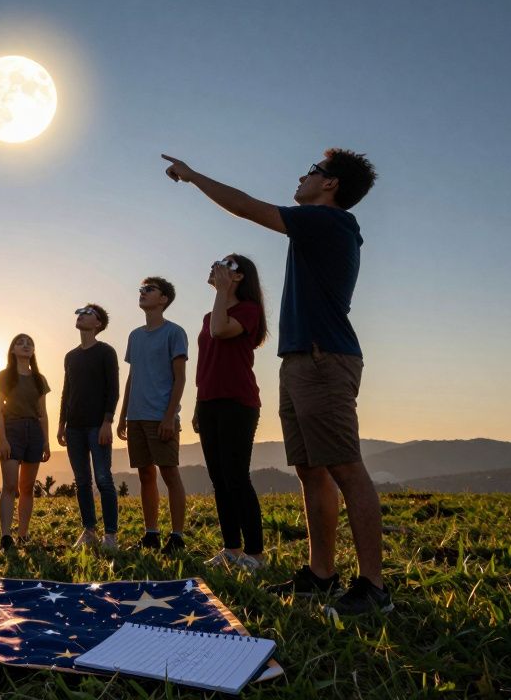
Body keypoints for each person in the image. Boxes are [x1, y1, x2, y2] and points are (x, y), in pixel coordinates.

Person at [162, 148, 389, 616]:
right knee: (310, 470)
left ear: (330, 184)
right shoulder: (317, 228)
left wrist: (192, 175)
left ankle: (373, 588)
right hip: (301, 360)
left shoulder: (327, 220)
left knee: (345, 467)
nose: (303, 175)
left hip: (323, 359)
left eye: (313, 170)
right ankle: (321, 574)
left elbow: (246, 207)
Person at [194, 255, 268, 573]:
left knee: (236, 476)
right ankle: (232, 549)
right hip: (209, 402)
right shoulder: (211, 315)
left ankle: (256, 554)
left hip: (238, 402)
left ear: (239, 277)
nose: (216, 266)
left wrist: (221, 292)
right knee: (219, 479)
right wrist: (198, 403)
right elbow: (206, 363)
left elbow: (220, 331)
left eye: (226, 265)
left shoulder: (248, 310)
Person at [117, 277, 189, 555]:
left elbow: (180, 378)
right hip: (135, 417)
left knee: (169, 473)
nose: (143, 292)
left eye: (149, 289)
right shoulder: (134, 336)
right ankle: (151, 534)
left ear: (163, 299)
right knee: (145, 475)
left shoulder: (175, 332)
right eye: (141, 289)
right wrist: (123, 415)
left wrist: (169, 417)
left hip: (160, 416)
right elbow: (132, 377)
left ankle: (177, 537)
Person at [57, 304, 120, 550]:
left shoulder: (106, 352)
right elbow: (66, 392)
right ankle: (89, 530)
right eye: (80, 312)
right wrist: (61, 424)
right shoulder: (70, 356)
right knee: (82, 480)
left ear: (98, 324)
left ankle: (110, 536)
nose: (81, 315)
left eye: (88, 312)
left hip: (97, 426)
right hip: (74, 428)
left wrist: (107, 422)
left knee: (103, 479)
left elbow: (113, 389)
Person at [0, 334, 51, 550]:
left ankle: (23, 535)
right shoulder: (4, 376)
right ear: (12, 350)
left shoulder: (39, 379)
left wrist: (46, 442)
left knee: (27, 487)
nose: (26, 346)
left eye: (29, 343)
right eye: (20, 343)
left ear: (33, 351)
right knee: (10, 485)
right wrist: (2, 440)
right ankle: (6, 536)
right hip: (12, 430)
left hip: (34, 432)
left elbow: (43, 413)